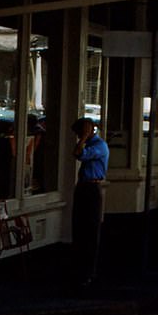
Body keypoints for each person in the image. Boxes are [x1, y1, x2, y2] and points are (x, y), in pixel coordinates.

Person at [71, 116, 109, 286]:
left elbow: (79, 153)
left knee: (91, 229)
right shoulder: (90, 144)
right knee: (80, 227)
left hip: (92, 187)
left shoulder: (99, 145)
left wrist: (86, 137)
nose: (79, 137)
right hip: (83, 186)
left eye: (80, 133)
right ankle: (79, 267)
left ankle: (89, 271)